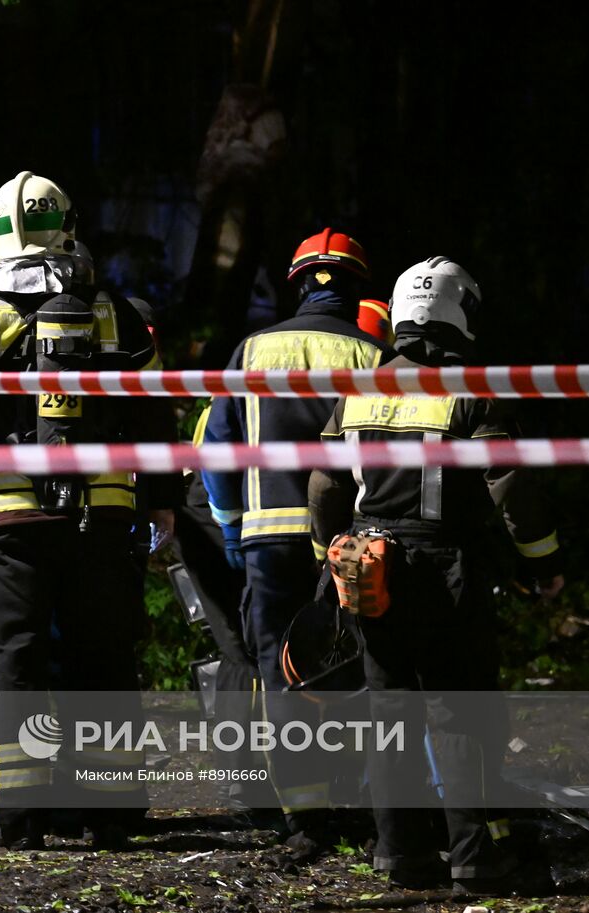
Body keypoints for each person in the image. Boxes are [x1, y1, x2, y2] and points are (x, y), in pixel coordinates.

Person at [0, 171, 180, 850]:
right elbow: (159, 416)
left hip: (8, 514)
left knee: (16, 660)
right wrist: (165, 506)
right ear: (69, 225)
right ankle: (112, 812)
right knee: (105, 660)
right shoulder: (114, 309)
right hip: (106, 514)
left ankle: (23, 817)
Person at [310, 256, 563, 894]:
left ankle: (400, 854)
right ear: (461, 311)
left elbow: (323, 483)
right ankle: (476, 859)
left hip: (369, 570)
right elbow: (511, 484)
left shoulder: (361, 387)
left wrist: (328, 556)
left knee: (390, 711)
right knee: (460, 715)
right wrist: (544, 565)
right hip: (448, 569)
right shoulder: (474, 387)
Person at [202, 228, 394, 857]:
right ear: (360, 288)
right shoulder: (374, 356)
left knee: (279, 676)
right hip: (350, 544)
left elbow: (218, 451)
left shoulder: (251, 349)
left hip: (268, 540)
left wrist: (231, 524)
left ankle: (306, 819)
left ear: (297, 284)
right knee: (358, 671)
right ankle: (368, 805)